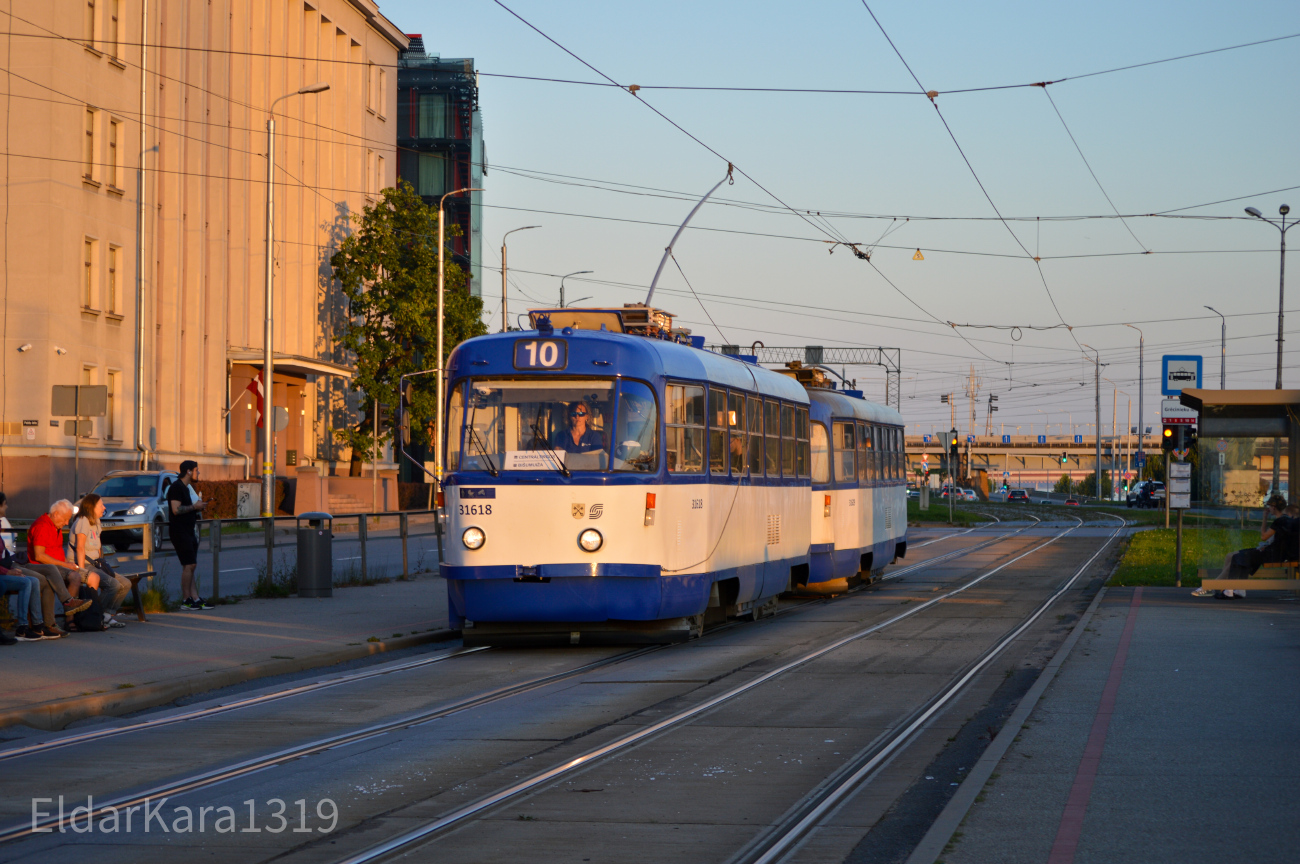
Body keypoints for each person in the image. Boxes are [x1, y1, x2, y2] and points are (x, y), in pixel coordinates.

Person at [1193, 494, 1297, 599]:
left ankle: (1212, 586)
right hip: (1272, 551)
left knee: (1237, 557)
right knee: (1230, 556)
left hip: (1272, 554)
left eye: (1269, 506)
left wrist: (1264, 519)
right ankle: (1223, 587)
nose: (1268, 509)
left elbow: (1263, 536)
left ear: (1274, 508)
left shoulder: (1279, 521)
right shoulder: (1286, 520)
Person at [26, 499, 92, 637]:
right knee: (73, 576)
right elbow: (39, 556)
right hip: (40, 566)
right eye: (66, 519)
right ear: (56, 514)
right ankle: (69, 610)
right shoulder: (42, 526)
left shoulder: (56, 526)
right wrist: (65, 565)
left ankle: (89, 616)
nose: (67, 523)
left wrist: (67, 564)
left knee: (90, 576)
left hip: (56, 566)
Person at [70, 493, 130, 628]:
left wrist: (104, 566)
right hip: (84, 564)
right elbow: (80, 548)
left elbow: (98, 548)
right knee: (113, 585)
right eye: (101, 505)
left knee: (125, 583)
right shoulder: (83, 521)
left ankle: (107, 614)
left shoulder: (96, 522)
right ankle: (94, 614)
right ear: (92, 507)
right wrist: (81, 570)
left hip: (96, 564)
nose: (104, 507)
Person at [0, 493, 50, 641]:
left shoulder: (3, 524)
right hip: (3, 572)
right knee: (26, 582)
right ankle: (22, 626)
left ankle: (37, 624)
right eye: (5, 504)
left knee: (33, 580)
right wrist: (9, 571)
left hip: (5, 569)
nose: (7, 507)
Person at [168, 460, 211, 610]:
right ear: (188, 471)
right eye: (196, 470)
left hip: (189, 530)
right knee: (190, 564)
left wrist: (197, 509)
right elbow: (175, 509)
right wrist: (194, 506)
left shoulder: (186, 488)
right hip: (179, 532)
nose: (198, 473)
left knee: (190, 565)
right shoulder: (176, 487)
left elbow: (186, 508)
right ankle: (186, 600)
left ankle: (195, 598)